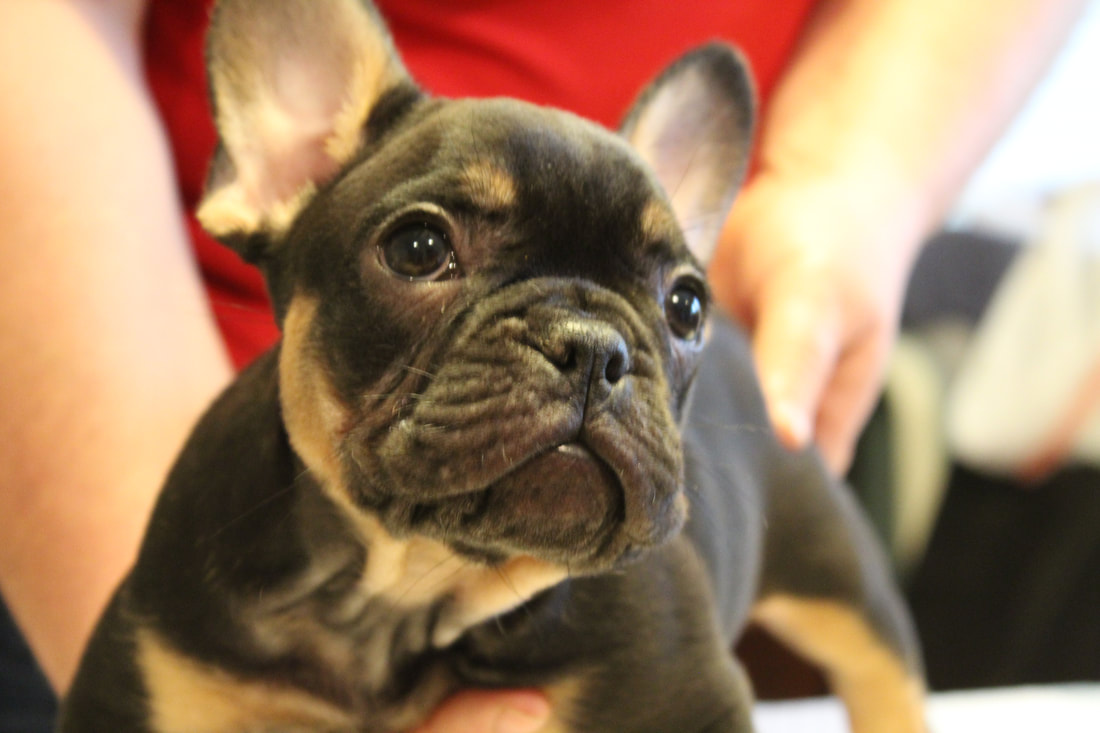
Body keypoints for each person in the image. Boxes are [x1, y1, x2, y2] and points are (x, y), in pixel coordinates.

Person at [0, 1, 1085, 731]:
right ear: (278, 175)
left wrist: (844, 182)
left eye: (672, 302)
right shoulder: (194, 566)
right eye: (427, 249)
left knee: (870, 637)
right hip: (109, 401)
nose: (589, 353)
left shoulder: (633, 613)